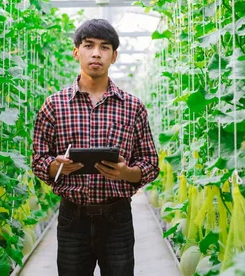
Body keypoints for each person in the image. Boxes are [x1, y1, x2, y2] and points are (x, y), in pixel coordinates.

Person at [32, 19, 159, 276]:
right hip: (71, 217)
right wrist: (57, 167)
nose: (96, 53)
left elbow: (150, 163)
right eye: (89, 45)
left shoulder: (133, 107)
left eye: (105, 47)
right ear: (76, 52)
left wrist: (125, 173)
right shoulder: (54, 105)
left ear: (114, 56)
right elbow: (38, 160)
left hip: (117, 217)